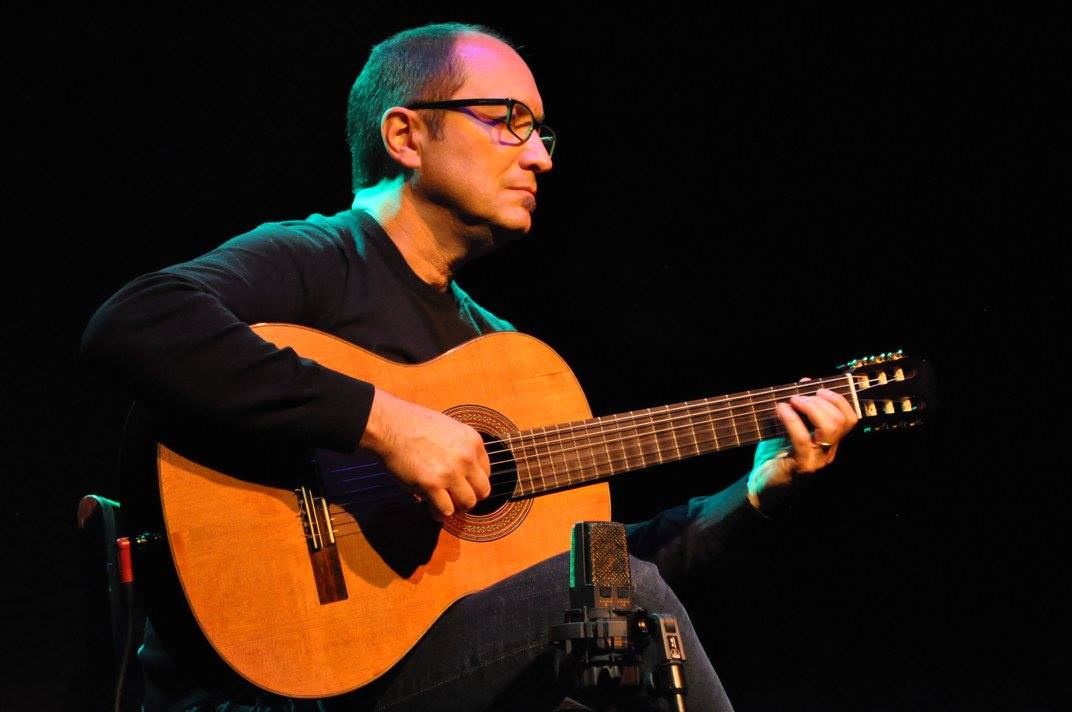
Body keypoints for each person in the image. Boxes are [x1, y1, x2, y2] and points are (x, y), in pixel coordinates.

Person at [81, 22, 858, 712]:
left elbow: (603, 580)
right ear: (405, 135)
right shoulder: (319, 258)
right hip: (264, 689)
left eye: (543, 132)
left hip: (424, 672)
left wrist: (753, 494)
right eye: (510, 121)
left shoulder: (506, 356)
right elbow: (134, 322)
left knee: (611, 641)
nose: (539, 157)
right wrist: (385, 424)